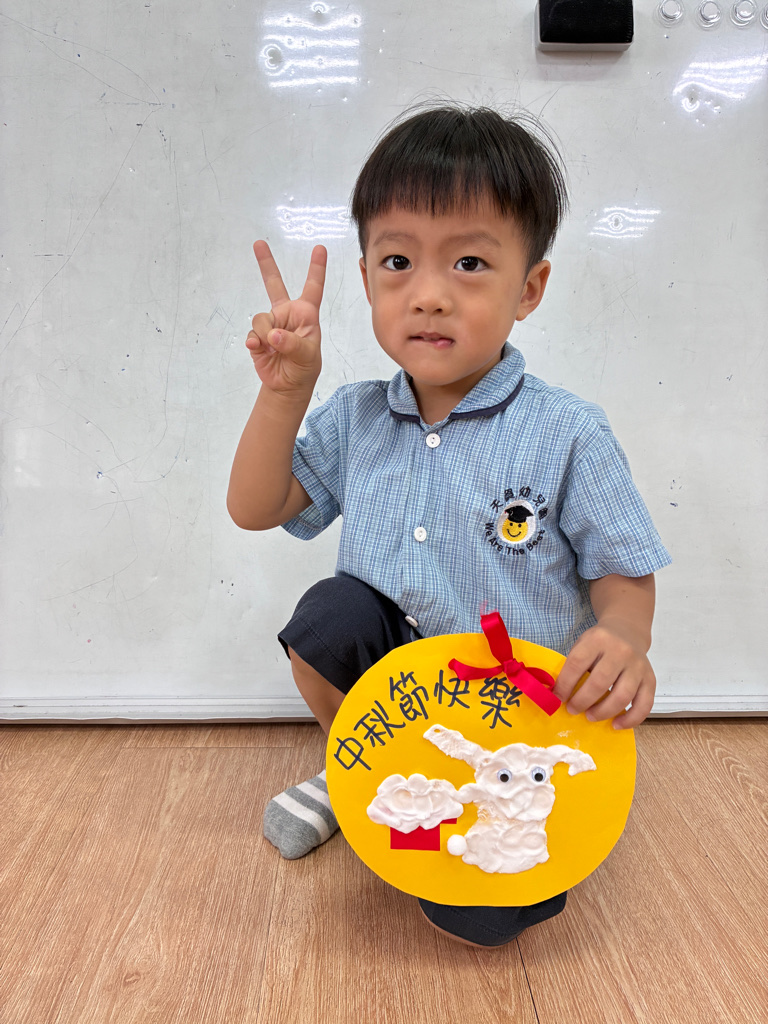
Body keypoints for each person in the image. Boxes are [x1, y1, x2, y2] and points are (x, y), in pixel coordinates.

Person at [227, 102, 671, 948]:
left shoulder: (568, 431)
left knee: (482, 918)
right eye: (398, 261)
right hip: (400, 691)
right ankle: (361, 767)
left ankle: (445, 802)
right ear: (367, 280)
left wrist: (624, 634)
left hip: (517, 714)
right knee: (328, 617)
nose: (428, 294)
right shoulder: (357, 416)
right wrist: (285, 392)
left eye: (469, 263)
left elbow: (622, 566)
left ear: (528, 289)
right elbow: (256, 508)